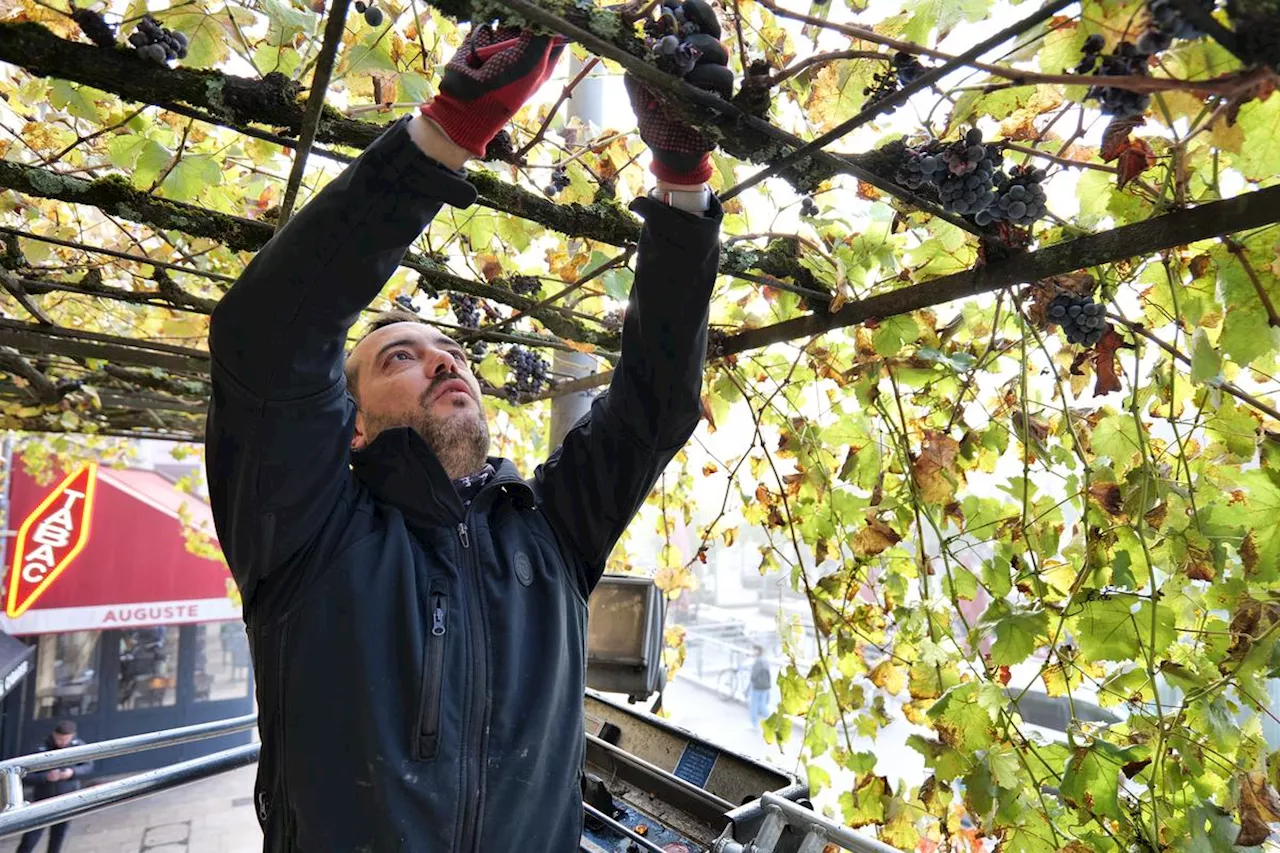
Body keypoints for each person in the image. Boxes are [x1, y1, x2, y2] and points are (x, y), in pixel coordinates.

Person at [204, 9, 733, 851]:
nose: (445, 363)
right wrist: (449, 129)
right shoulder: (305, 535)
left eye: (451, 351)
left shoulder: (550, 531)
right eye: (399, 358)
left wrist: (683, 180)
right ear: (346, 428)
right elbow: (264, 340)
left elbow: (657, 402)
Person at [15, 721, 93, 853]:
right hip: (42, 798)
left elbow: (88, 766)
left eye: (66, 739)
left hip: (67, 797)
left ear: (72, 736)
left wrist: (72, 772)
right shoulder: (40, 747)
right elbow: (25, 775)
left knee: (59, 834)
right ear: (54, 734)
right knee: (31, 836)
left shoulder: (79, 746)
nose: (62, 742)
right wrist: (45, 777)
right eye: (59, 739)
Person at [748, 645, 772, 728]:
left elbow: (754, 675)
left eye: (753, 651)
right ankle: (770, 720)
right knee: (762, 703)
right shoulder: (765, 660)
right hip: (765, 686)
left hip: (757, 686)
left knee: (754, 705)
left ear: (757, 652)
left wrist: (752, 681)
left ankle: (754, 724)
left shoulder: (758, 661)